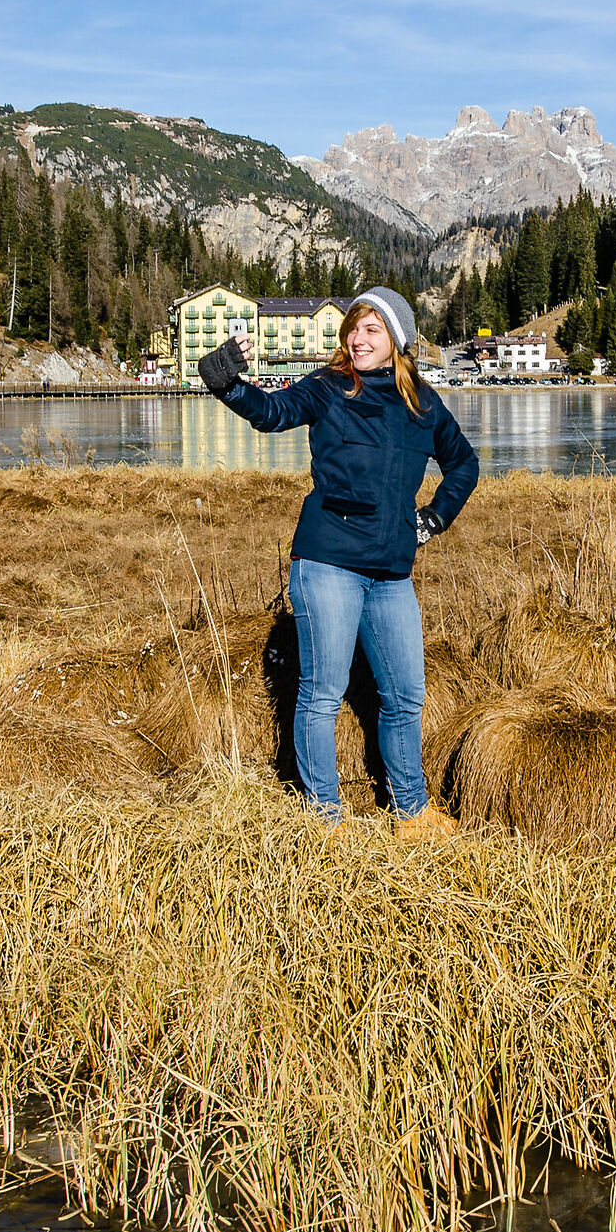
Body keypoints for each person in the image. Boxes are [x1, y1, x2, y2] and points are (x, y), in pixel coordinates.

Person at [199, 287, 478, 833]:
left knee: (404, 695)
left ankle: (412, 812)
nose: (358, 338)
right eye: (354, 327)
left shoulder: (423, 404)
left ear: (398, 339)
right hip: (327, 562)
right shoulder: (328, 388)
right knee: (322, 693)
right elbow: (272, 411)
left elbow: (463, 464)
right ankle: (323, 817)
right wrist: (229, 384)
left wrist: (432, 518)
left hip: (392, 571)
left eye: (372, 330)